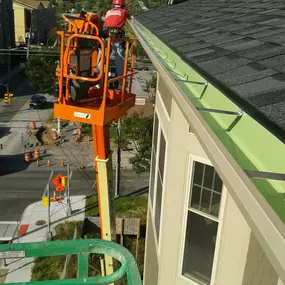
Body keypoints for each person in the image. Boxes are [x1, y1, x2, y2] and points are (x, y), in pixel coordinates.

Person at [94, 0, 129, 89]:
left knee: (102, 54)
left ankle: (97, 76)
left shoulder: (108, 12)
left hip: (104, 34)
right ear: (123, 5)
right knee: (119, 58)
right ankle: (121, 81)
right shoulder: (124, 12)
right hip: (115, 35)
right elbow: (128, 19)